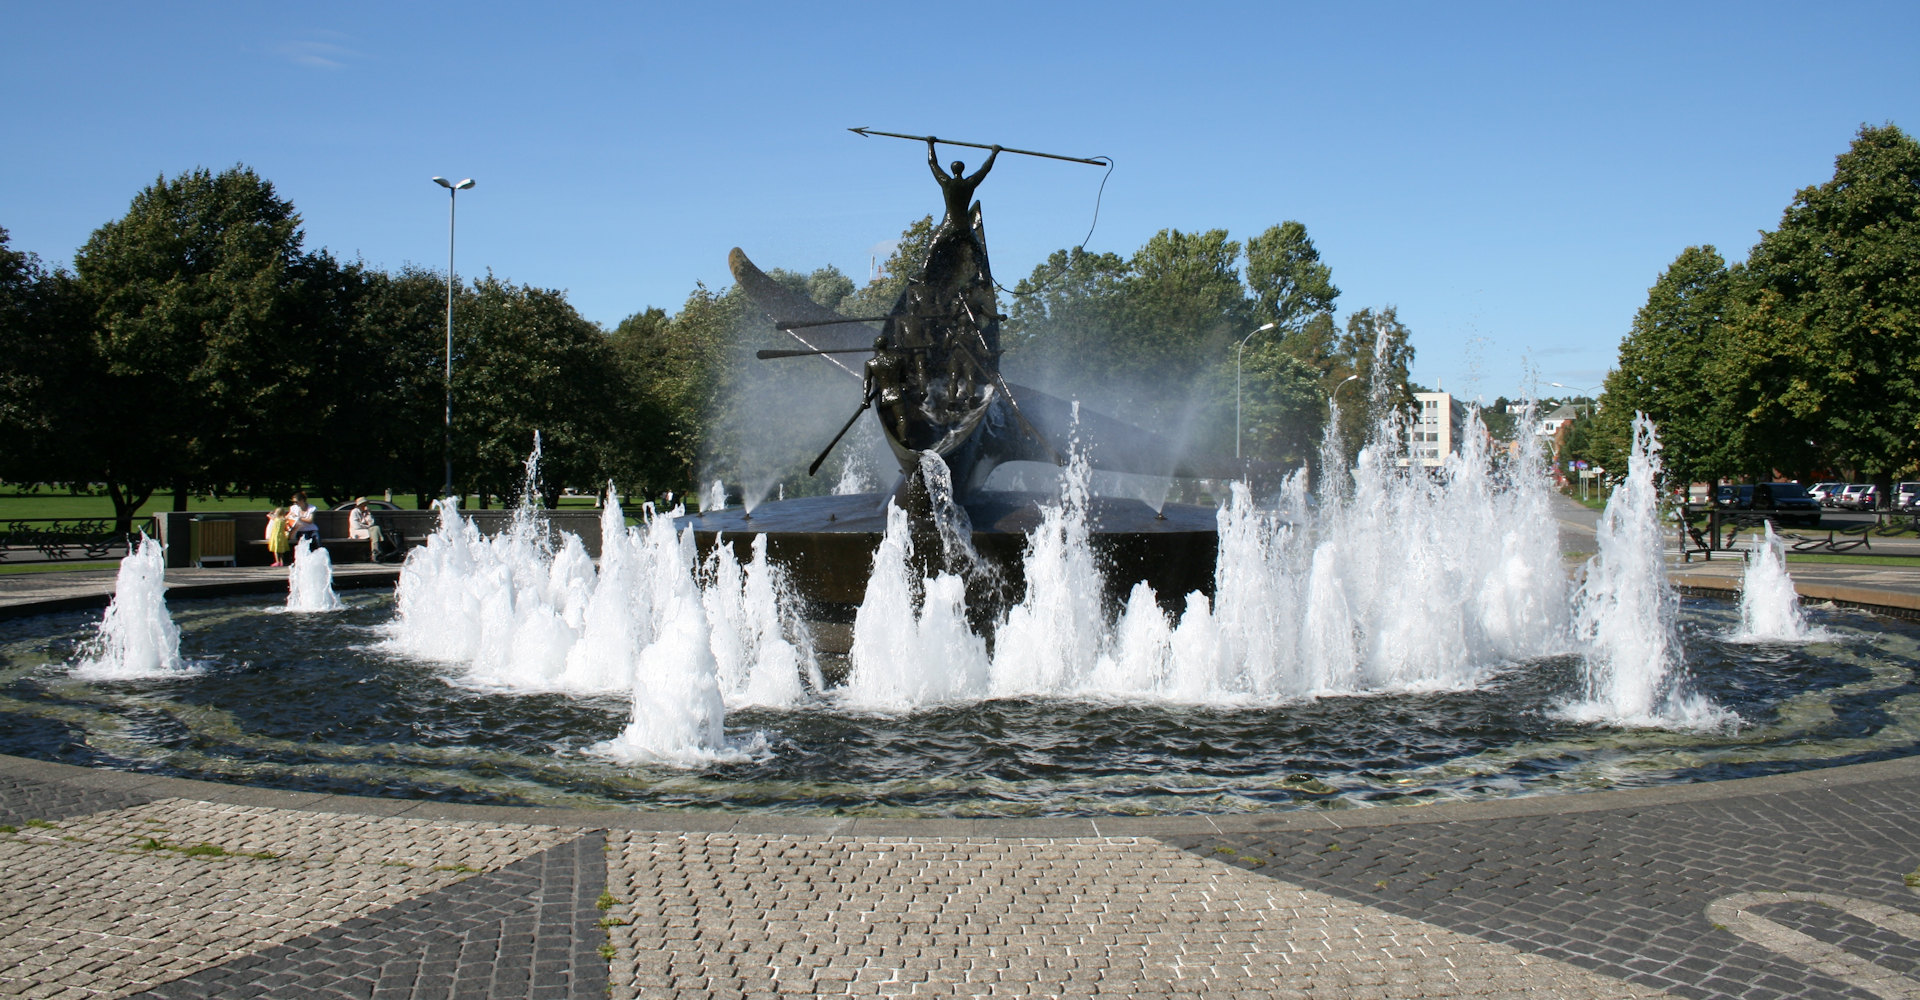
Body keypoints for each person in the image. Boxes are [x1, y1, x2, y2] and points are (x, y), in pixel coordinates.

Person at [348, 497, 388, 561]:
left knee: (376, 528)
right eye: (364, 504)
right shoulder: (354, 512)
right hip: (357, 532)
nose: (365, 505)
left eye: (366, 504)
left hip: (368, 530)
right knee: (375, 532)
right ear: (360, 505)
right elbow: (356, 526)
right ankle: (376, 552)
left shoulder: (367, 512)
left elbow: (372, 523)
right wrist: (368, 527)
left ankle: (375, 552)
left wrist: (368, 514)